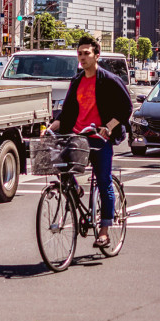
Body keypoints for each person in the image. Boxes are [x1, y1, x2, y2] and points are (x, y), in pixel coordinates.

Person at [47, 36, 133, 248]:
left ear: (97, 55)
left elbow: (126, 108)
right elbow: (66, 113)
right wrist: (50, 128)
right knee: (60, 165)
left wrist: (108, 127)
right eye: (80, 53)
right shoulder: (76, 81)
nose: (83, 57)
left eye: (87, 53)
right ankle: (75, 189)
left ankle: (104, 230)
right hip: (78, 136)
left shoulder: (109, 80)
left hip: (100, 138)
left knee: (103, 181)